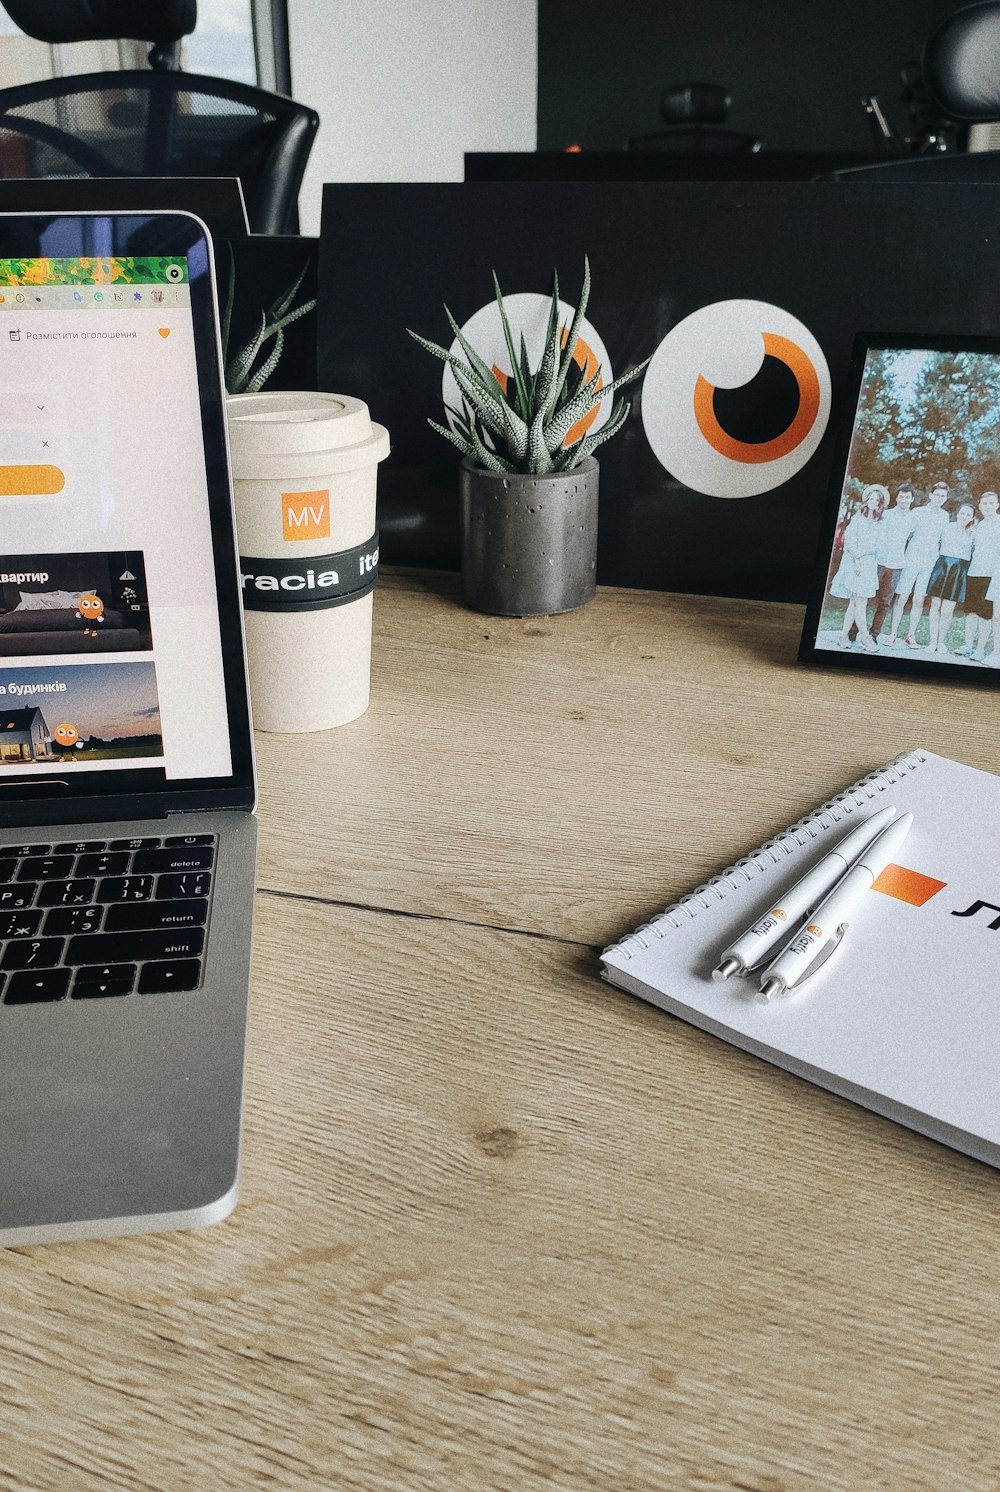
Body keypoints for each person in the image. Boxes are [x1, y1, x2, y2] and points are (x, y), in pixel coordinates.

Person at [888, 480, 951, 648]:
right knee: (902, 597)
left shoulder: (945, 517)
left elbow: (942, 541)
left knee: (919, 600)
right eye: (936, 495)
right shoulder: (917, 512)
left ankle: (910, 635)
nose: (939, 498)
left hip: (930, 563)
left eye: (942, 496)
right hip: (911, 559)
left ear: (946, 498)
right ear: (930, 495)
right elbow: (906, 535)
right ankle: (892, 634)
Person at [828, 485, 886, 651]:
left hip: (869, 565)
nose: (873, 502)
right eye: (871, 498)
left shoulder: (880, 522)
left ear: (880, 503)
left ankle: (843, 635)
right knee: (859, 603)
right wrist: (858, 559)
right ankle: (866, 638)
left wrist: (864, 554)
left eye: (877, 499)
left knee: (855, 603)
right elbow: (850, 543)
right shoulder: (857, 518)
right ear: (866, 500)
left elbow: (880, 546)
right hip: (853, 565)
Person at [926, 502, 976, 653]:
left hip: (959, 570)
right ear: (957, 513)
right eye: (962, 513)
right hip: (942, 567)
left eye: (968, 514)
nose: (964, 516)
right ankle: (932, 641)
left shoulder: (974, 533)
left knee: (947, 610)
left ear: (972, 518)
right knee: (935, 606)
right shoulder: (947, 527)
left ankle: (941, 642)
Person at [870, 483, 916, 642]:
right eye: (901, 496)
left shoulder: (913, 519)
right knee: (866, 596)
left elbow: (911, 538)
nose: (904, 500)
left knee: (885, 602)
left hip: (896, 566)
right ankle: (855, 631)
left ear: (912, 499)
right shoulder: (886, 514)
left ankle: (874, 634)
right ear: (897, 497)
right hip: (879, 562)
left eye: (907, 497)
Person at [957, 490, 1000, 662]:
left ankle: (980, 649)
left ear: (997, 505)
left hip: (991, 576)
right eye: (985, 504)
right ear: (980, 506)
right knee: (971, 611)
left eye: (991, 503)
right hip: (974, 572)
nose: (988, 506)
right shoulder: (978, 525)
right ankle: (968, 646)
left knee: (985, 614)